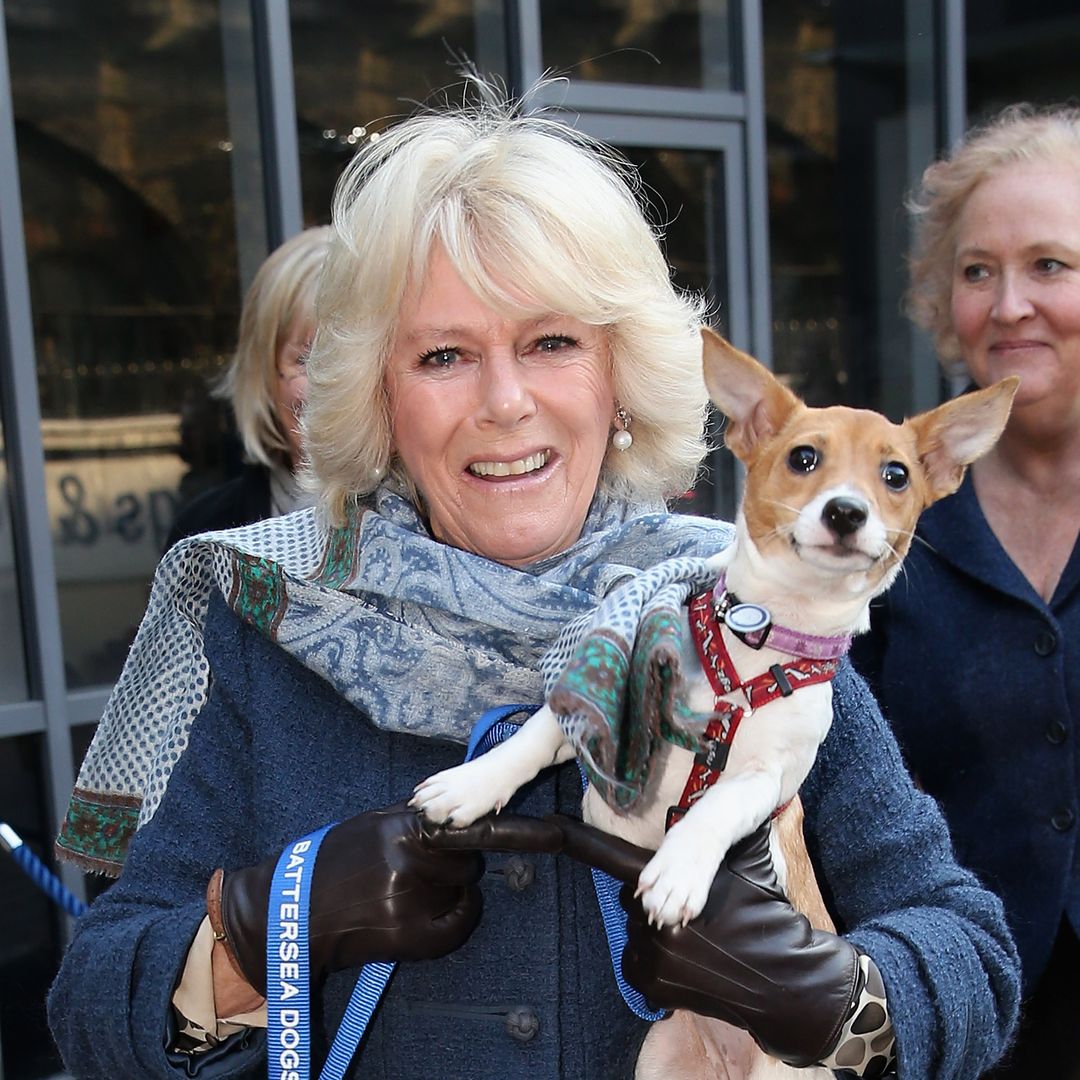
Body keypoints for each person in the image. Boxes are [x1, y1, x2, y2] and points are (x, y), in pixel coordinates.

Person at [48, 83, 1018, 1080]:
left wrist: (831, 994)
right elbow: (90, 1002)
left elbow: (970, 956)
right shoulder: (275, 642)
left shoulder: (749, 623)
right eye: (443, 356)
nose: (504, 403)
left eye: (551, 342)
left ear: (620, 377)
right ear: (382, 398)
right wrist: (266, 928)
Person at [850, 102, 1080, 1077]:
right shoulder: (877, 524)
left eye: (1050, 265)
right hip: (958, 1025)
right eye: (977, 271)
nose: (1010, 303)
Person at [164, 225, 332, 548]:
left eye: (348, 356)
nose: (330, 382)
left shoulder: (435, 520)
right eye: (305, 360)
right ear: (263, 377)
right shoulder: (203, 536)